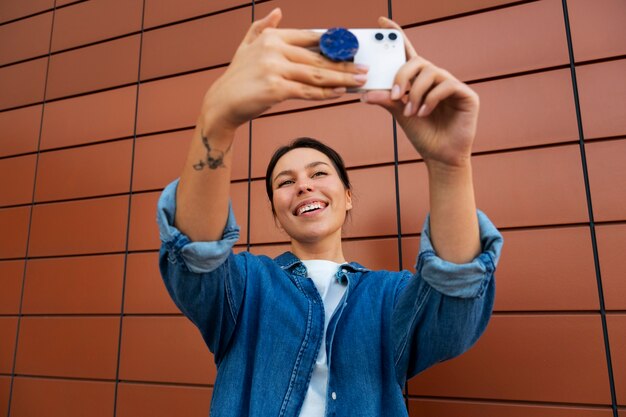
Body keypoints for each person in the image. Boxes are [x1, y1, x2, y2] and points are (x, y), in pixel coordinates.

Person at [157, 8, 503, 417]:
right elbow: (198, 256)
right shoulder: (247, 286)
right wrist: (216, 121)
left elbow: (454, 303)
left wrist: (450, 165)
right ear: (277, 211)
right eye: (285, 182)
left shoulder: (390, 297)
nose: (303, 185)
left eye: (319, 173)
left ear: (348, 195)